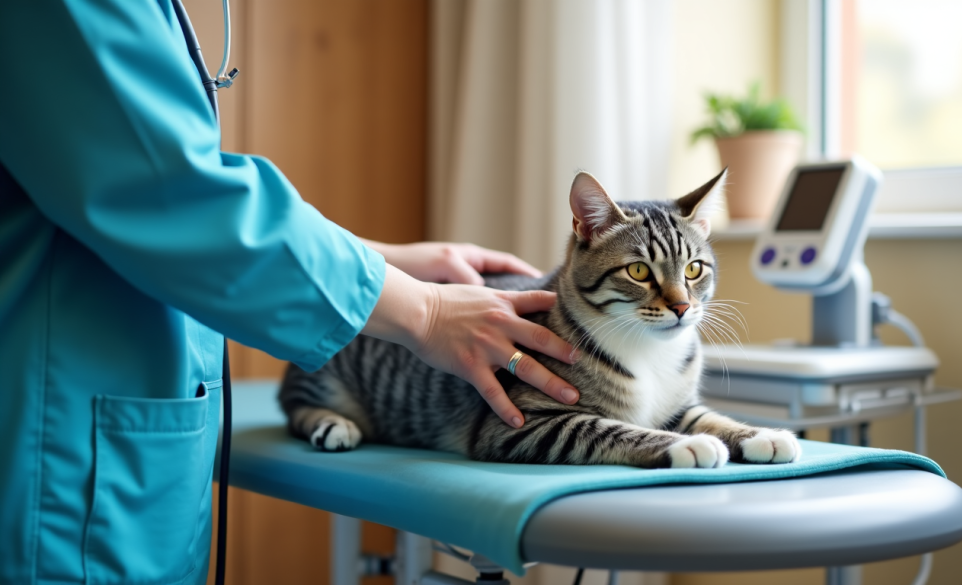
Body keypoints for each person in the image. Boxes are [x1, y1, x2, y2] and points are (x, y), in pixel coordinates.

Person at [0, 1, 578, 583]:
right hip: (57, 465)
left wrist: (383, 263)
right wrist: (422, 310)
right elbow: (171, 190)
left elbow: (135, 185)